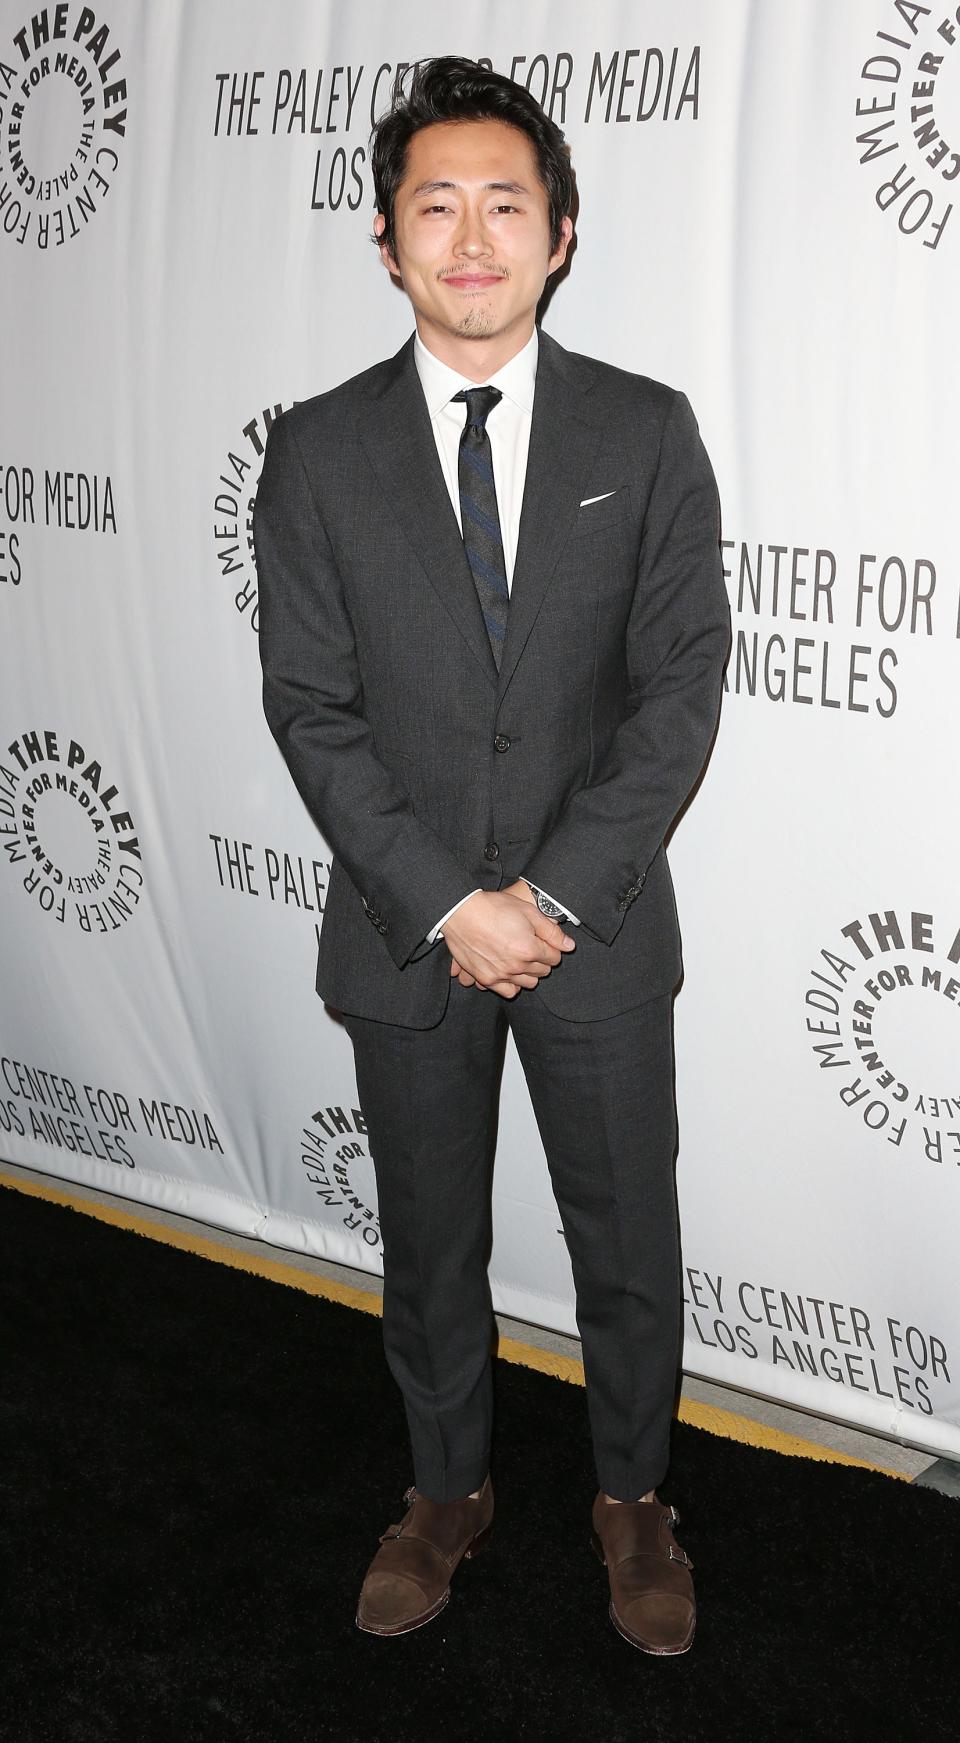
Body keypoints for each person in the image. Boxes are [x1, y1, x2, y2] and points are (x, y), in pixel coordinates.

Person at [254, 55, 730, 1655]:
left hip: (597, 932)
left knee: (628, 1241)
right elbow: (311, 708)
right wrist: (452, 901)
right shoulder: (317, 452)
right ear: (387, 243)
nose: (471, 238)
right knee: (430, 1240)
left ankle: (633, 1499)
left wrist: (549, 898)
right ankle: (445, 1490)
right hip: (408, 934)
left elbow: (676, 693)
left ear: (561, 231)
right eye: (433, 206)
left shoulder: (646, 432)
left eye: (503, 205)